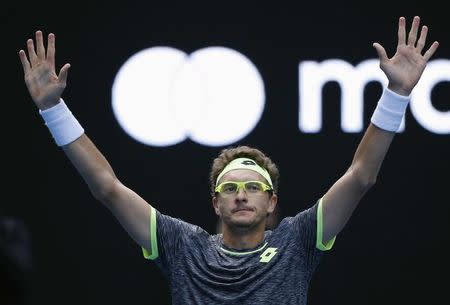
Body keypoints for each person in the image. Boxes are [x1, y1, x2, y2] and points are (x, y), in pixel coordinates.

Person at [18, 16, 439, 305]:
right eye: (230, 188)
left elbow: (361, 176)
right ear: (215, 203)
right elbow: (107, 188)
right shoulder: (181, 246)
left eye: (253, 187)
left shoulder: (298, 241)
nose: (241, 195)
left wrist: (396, 94)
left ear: (272, 203)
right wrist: (53, 109)